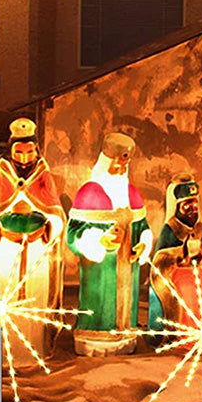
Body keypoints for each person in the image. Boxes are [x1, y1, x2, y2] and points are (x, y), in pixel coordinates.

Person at [0, 118, 66, 363]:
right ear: (10, 151)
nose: (24, 158)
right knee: (4, 300)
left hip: (35, 252)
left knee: (35, 302)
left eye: (29, 151)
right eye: (19, 152)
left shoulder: (43, 175)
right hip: (5, 252)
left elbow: (55, 210)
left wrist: (50, 226)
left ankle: (34, 348)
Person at [66, 132, 154, 356]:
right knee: (99, 306)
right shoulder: (89, 193)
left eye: (124, 163)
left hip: (128, 270)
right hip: (101, 273)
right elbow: (73, 234)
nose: (119, 167)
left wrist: (143, 244)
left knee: (127, 306)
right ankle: (94, 338)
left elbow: (143, 226)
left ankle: (126, 336)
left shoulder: (132, 193)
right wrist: (100, 241)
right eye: (115, 161)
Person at [148, 175, 202, 330]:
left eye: (195, 204)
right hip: (179, 279)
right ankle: (183, 332)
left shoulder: (200, 229)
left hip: (199, 273)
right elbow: (160, 263)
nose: (193, 209)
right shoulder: (170, 230)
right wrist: (179, 261)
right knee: (189, 289)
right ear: (177, 206)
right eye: (187, 204)